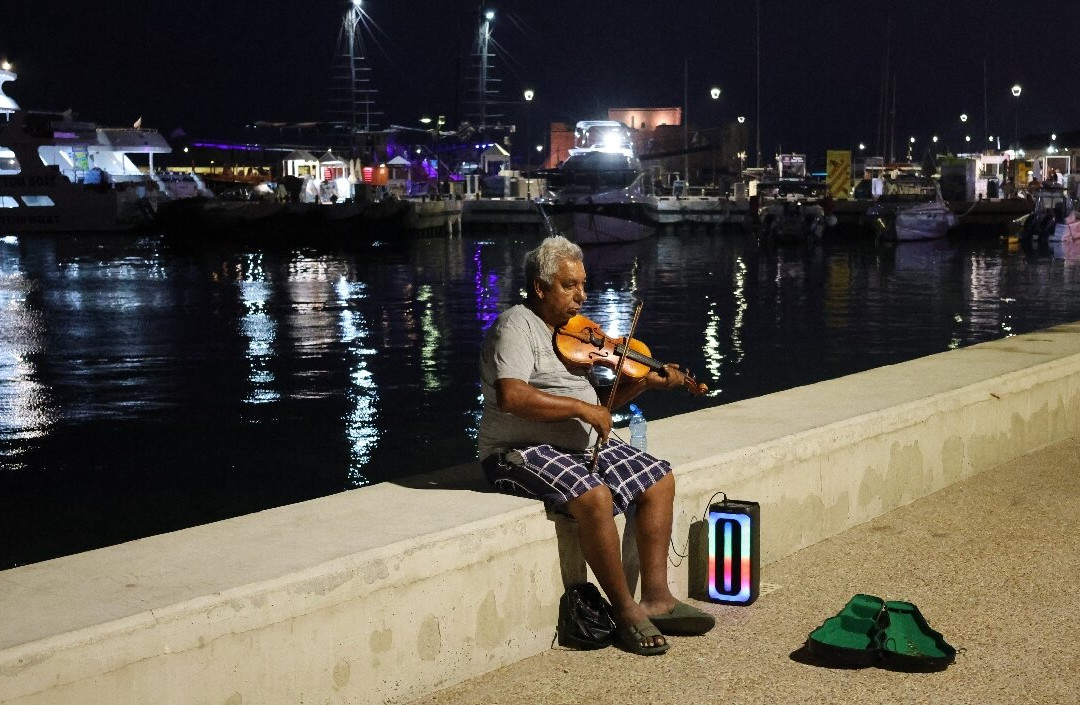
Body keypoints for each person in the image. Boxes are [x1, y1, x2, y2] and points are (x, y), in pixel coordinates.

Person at [477, 235, 715, 656]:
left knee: (659, 478)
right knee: (594, 495)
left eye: (582, 284)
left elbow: (601, 407)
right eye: (570, 285)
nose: (581, 295)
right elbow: (511, 396)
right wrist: (581, 410)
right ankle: (625, 610)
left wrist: (641, 384)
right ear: (540, 287)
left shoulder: (571, 335)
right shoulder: (516, 325)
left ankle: (657, 597)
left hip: (575, 446)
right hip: (518, 450)